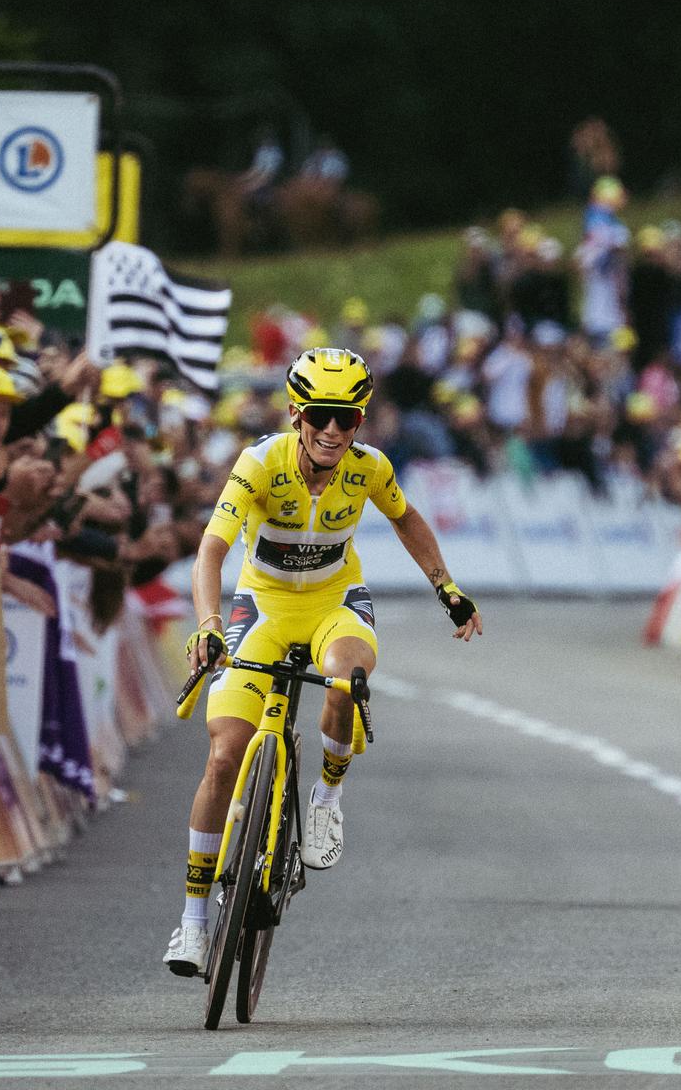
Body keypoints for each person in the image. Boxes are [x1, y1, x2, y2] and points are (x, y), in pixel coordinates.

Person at [163, 347, 483, 977]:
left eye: (348, 418)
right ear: (295, 414)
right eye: (320, 415)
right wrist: (206, 626)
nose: (334, 430)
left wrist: (447, 588)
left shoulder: (368, 468)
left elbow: (407, 518)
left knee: (346, 677)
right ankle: (194, 922)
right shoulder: (260, 463)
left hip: (337, 601)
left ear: (360, 422)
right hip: (264, 604)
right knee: (225, 752)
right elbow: (210, 553)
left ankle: (327, 798)